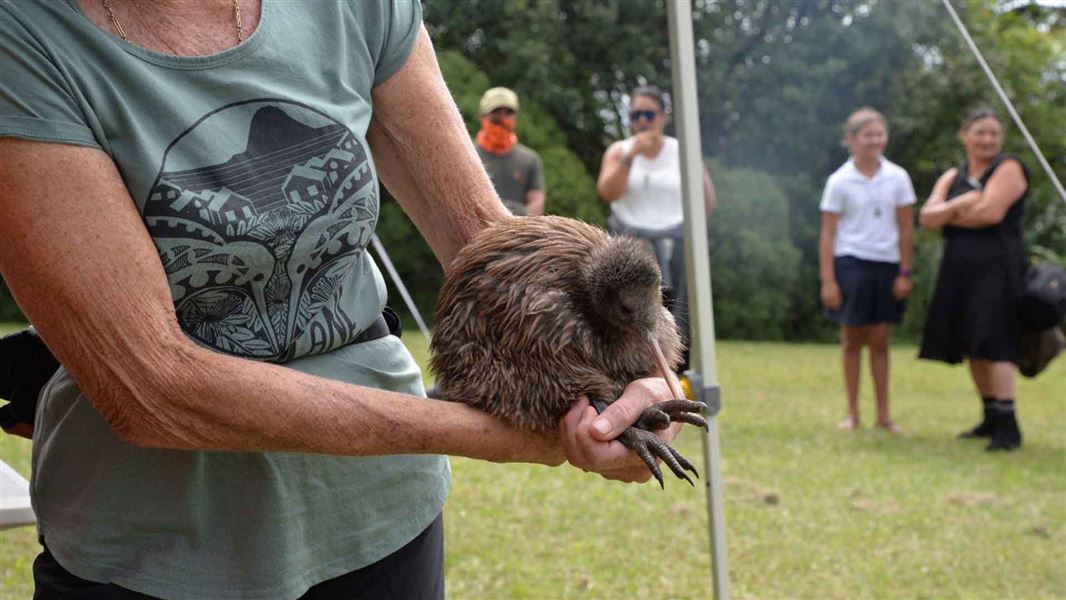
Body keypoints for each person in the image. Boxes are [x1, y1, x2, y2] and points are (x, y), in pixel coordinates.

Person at [0, 2, 685, 598]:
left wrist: (630, 388)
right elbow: (154, 388)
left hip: (383, 520)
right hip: (155, 546)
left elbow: (495, 256)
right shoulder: (25, 35)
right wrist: (511, 441)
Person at [918, 108, 1029, 452]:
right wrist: (961, 205)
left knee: (995, 341)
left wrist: (947, 215)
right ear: (964, 135)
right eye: (980, 132)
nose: (987, 140)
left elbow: (991, 213)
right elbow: (926, 217)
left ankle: (1009, 426)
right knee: (971, 343)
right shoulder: (955, 176)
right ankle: (989, 416)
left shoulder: (1009, 168)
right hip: (960, 270)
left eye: (994, 133)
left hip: (998, 269)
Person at [596, 85, 716, 372]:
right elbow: (607, 192)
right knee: (628, 317)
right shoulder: (620, 150)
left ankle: (676, 377)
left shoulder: (681, 152)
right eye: (635, 115)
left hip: (673, 242)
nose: (641, 122)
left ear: (664, 117)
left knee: (676, 316)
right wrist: (632, 155)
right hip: (631, 245)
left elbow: (707, 202)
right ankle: (628, 374)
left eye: (648, 114)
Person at [818, 107, 916, 434]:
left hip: (886, 265)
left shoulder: (898, 177)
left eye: (879, 134)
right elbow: (828, 234)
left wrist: (905, 272)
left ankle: (884, 415)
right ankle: (853, 413)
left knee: (881, 341)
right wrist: (829, 280)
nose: (875, 140)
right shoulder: (839, 181)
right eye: (867, 135)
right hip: (851, 264)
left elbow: (905, 229)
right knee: (851, 339)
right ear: (851, 139)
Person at [474, 87, 546, 216]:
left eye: (508, 113)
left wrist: (517, 217)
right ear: (482, 117)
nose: (503, 119)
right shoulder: (470, 156)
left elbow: (537, 204)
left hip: (517, 231)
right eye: (496, 113)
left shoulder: (529, 159)